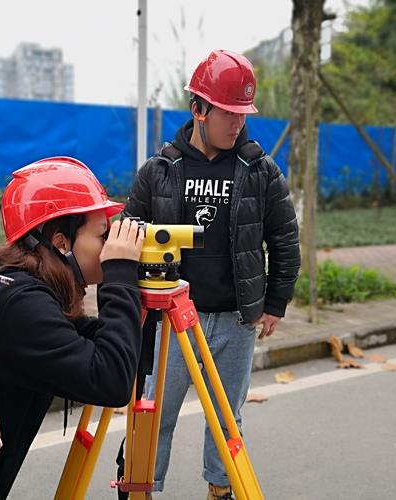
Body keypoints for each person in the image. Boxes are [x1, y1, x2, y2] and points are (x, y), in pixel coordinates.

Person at [124, 49, 300, 500]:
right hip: (173, 320)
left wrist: (275, 302)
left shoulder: (260, 171)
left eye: (243, 113)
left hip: (237, 320)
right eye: (228, 112)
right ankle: (139, 487)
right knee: (155, 412)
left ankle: (220, 490)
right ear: (198, 109)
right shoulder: (160, 171)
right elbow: (125, 239)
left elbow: (284, 239)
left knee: (226, 416)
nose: (237, 123)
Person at [0, 157, 145, 499]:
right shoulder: (19, 305)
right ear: (61, 242)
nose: (108, 247)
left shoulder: (23, 287)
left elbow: (75, 334)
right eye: (103, 235)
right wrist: (120, 277)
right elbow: (111, 380)